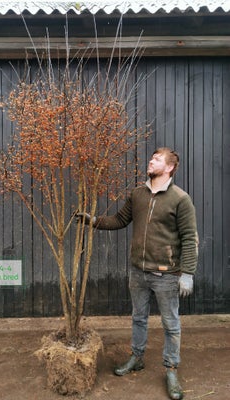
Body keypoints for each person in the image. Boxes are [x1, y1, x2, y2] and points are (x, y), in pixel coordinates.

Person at [77, 147, 198, 400]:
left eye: (157, 159)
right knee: (138, 318)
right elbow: (120, 220)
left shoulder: (180, 199)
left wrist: (187, 273)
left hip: (166, 274)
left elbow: (189, 238)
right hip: (138, 272)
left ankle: (171, 369)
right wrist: (92, 220)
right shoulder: (138, 194)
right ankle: (137, 358)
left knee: (171, 324)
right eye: (152, 158)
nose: (151, 161)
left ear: (170, 168)